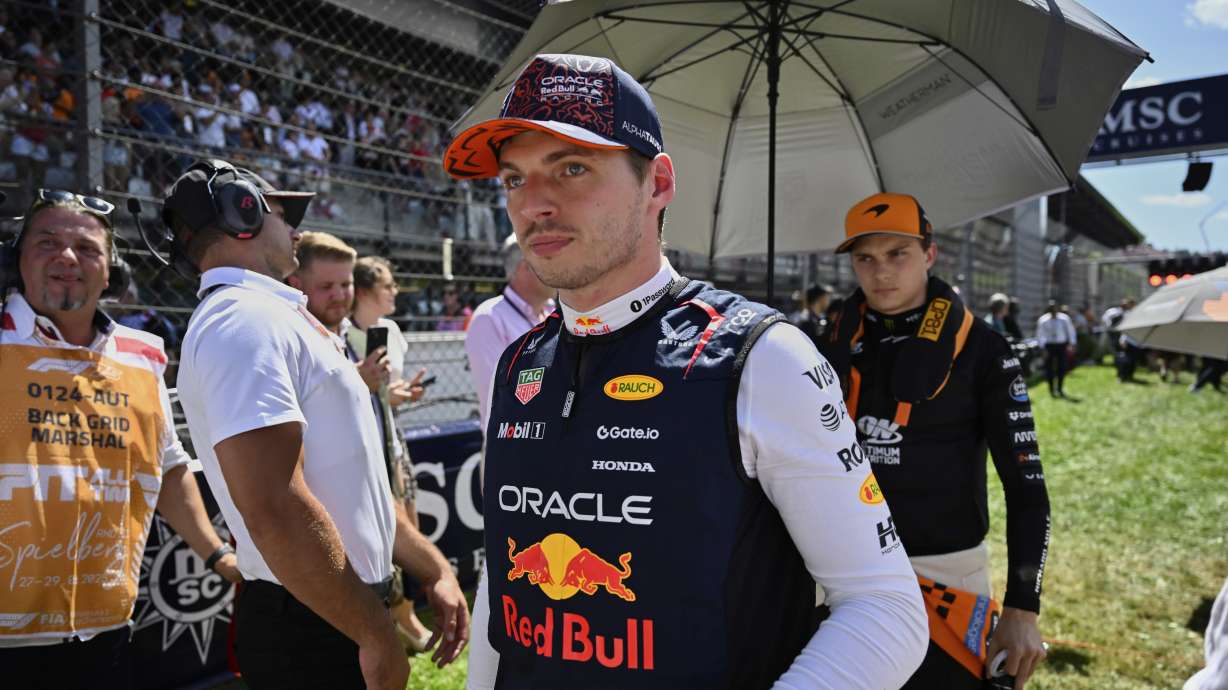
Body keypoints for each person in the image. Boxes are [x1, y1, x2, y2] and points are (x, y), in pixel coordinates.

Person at [443, 52, 927, 690]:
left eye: (573, 168)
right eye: (513, 179)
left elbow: (885, 608)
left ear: (659, 183)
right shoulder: (518, 362)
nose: (533, 204)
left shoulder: (760, 356)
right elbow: (504, 595)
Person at [166, 159, 468, 690]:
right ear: (246, 210)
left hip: (328, 611)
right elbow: (275, 507)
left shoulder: (270, 317)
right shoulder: (244, 320)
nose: (297, 230)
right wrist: (375, 632)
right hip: (316, 622)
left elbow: (355, 488)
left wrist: (434, 568)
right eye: (285, 213)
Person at [0, 189, 239, 690]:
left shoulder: (142, 357)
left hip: (105, 625)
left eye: (88, 248)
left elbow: (168, 466)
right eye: (47, 242)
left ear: (111, 271)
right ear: (16, 259)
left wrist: (217, 555)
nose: (68, 257)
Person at [821, 192, 1052, 689]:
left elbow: (1027, 489)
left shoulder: (985, 349)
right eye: (865, 258)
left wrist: (1022, 608)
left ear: (929, 254)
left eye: (897, 254)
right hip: (842, 568)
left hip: (946, 575)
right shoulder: (831, 341)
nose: (880, 272)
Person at [286, 234, 435, 654]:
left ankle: (393, 622)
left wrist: (386, 390)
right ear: (298, 284)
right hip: (325, 485)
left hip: (382, 452)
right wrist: (357, 379)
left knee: (397, 534)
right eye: (327, 287)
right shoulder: (292, 336)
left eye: (345, 285)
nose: (339, 296)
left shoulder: (351, 334)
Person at [464, 233, 555, 431]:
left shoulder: (554, 312)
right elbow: (500, 400)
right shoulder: (488, 318)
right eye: (548, 258)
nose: (557, 265)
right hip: (515, 449)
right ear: (524, 267)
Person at [1035, 301, 1076, 397]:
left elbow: (1070, 331)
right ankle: (1051, 389)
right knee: (1049, 368)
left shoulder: (1064, 319)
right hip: (1049, 345)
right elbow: (1040, 334)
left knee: (1061, 367)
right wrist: (1042, 348)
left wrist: (1072, 344)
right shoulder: (1043, 320)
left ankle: (1060, 388)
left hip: (1061, 345)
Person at [793, 282, 833, 347]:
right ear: (821, 298)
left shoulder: (818, 319)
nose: (829, 301)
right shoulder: (805, 321)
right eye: (827, 297)